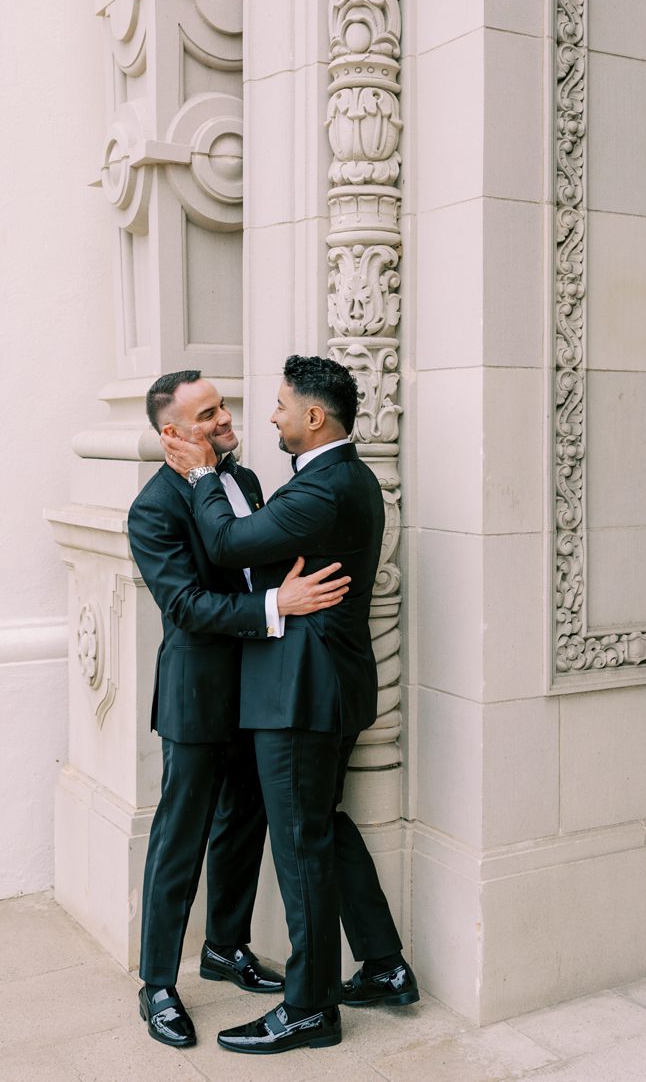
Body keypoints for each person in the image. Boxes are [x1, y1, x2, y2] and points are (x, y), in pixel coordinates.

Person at [162, 355, 416, 1054]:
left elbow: (225, 540)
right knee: (321, 827)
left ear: (314, 416)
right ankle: (385, 962)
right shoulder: (341, 478)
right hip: (324, 684)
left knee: (300, 840)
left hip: (301, 693)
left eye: (279, 404)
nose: (269, 415)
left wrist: (203, 475)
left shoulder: (325, 488)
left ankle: (308, 1008)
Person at [129, 371, 348, 1049]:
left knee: (242, 823)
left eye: (223, 405)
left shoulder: (247, 480)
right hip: (198, 693)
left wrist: (274, 589)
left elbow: (250, 559)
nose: (226, 418)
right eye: (206, 414)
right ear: (171, 434)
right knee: (181, 835)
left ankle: (226, 945)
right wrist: (276, 605)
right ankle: (158, 983)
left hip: (261, 687)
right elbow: (187, 605)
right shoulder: (152, 508)